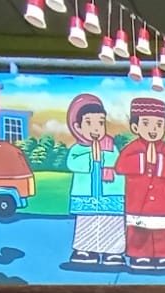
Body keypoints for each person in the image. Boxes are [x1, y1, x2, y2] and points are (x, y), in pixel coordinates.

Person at [115, 97, 165, 271]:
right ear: (135, 127)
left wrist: (158, 162)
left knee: (163, 231)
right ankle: (139, 256)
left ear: (164, 128)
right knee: (139, 231)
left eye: (158, 125)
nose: (153, 130)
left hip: (162, 203)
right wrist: (143, 161)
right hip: (138, 202)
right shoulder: (132, 149)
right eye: (146, 124)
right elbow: (121, 166)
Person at [64, 94, 125, 268]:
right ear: (78, 127)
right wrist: (92, 157)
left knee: (111, 223)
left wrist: (103, 157)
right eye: (89, 123)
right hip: (86, 195)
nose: (96, 128)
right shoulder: (78, 149)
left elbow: (117, 162)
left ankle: (113, 252)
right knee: (87, 222)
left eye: (100, 123)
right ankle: (84, 250)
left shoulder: (110, 146)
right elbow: (73, 163)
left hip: (110, 194)